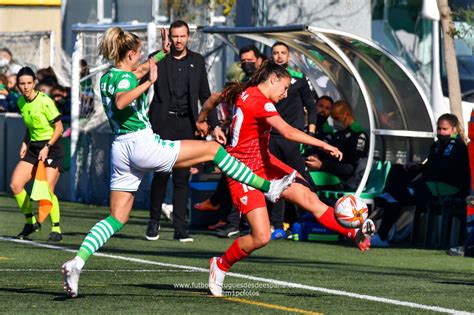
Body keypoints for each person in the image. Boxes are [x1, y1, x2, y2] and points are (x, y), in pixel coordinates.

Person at [61, 27, 296, 299]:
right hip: (141, 143)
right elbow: (123, 99)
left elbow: (131, 76)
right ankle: (267, 187)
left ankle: (77, 262)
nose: (139, 62)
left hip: (121, 149)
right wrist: (149, 83)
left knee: (117, 217)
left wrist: (161, 54)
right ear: (130, 54)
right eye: (137, 56)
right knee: (212, 150)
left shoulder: (108, 77)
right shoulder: (127, 80)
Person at [196, 61, 375, 297]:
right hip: (241, 170)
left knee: (310, 199)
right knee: (262, 236)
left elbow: (214, 98)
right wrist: (323, 144)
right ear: (273, 80)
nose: (286, 93)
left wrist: (203, 120)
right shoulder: (261, 102)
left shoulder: (243, 91)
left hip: (266, 163)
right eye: (285, 87)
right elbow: (289, 132)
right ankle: (220, 265)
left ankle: (353, 232)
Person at [146, 20, 221, 242]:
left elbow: (205, 96)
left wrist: (214, 125)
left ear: (189, 37)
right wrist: (161, 53)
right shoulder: (159, 58)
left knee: (181, 178)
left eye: (182, 36)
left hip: (187, 125)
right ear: (169, 37)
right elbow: (140, 80)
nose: (178, 40)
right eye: (174, 36)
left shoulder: (197, 61)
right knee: (160, 175)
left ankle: (180, 228)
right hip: (162, 124)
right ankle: (154, 222)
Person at [373, 113, 470, 247]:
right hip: (428, 183)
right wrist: (417, 166)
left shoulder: (457, 146)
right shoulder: (437, 145)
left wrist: (421, 174)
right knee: (397, 169)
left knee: (396, 196)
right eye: (439, 129)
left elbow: (445, 171)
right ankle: (390, 195)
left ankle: (382, 235)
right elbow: (430, 166)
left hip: (445, 187)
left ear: (454, 129)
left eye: (445, 129)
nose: (441, 132)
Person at [268, 41, 318, 239]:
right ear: (271, 56)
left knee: (301, 179)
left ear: (289, 56)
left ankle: (306, 220)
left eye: (283, 53)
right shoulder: (267, 80)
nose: (279, 56)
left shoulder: (298, 79)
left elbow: (311, 107)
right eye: (275, 53)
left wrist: (311, 134)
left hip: (292, 137)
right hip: (271, 136)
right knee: (276, 180)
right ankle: (278, 225)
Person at [9, 67, 64, 242]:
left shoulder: (45, 101)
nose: (25, 87)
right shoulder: (20, 102)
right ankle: (31, 221)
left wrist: (47, 146)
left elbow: (59, 128)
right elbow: (30, 125)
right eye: (22, 83)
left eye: (29, 83)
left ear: (34, 83)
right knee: (15, 185)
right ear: (18, 85)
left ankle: (56, 228)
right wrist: (25, 143)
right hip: (34, 147)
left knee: (46, 189)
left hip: (52, 147)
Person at [305, 100, 368, 191]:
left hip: (344, 181)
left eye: (337, 118)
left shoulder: (358, 135)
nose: (335, 122)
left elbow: (351, 168)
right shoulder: (339, 134)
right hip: (330, 174)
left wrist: (322, 165)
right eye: (333, 118)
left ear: (346, 115)